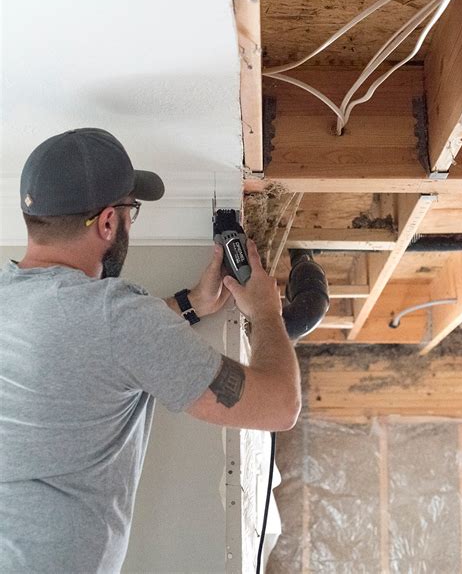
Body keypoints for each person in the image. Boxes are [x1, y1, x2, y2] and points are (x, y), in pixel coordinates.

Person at [0, 128, 301, 573]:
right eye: (130, 212)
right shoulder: (118, 319)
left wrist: (189, 304)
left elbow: (84, 342)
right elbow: (278, 405)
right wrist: (266, 312)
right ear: (107, 222)